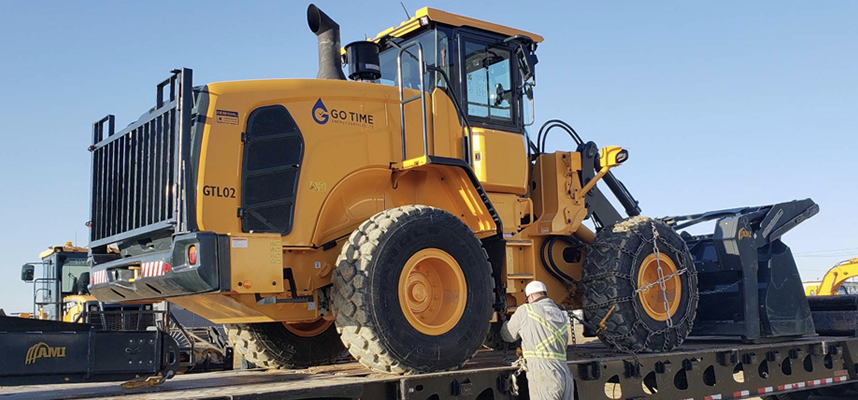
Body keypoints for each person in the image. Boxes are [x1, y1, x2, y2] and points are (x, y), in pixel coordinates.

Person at [501, 281, 575, 400]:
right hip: (565, 374)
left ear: (530, 296)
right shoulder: (559, 314)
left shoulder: (526, 310)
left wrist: (504, 322)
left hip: (545, 376)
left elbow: (508, 335)